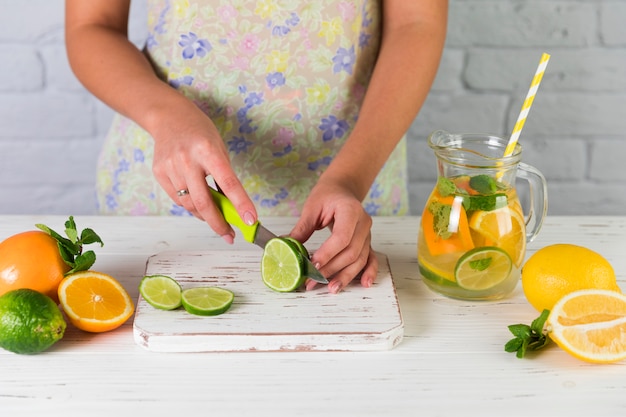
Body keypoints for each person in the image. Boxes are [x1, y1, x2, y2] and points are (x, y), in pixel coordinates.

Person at [65, 0, 447, 293]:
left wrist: (349, 179)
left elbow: (417, 23)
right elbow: (91, 26)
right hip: (164, 195)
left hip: (354, 193)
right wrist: (165, 115)